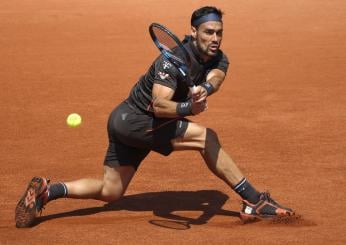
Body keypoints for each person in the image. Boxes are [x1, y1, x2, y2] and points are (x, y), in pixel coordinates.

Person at [15, 6, 294, 228]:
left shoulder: (218, 57)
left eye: (219, 32)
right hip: (135, 121)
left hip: (133, 124)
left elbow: (217, 77)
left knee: (111, 191)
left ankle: (47, 192)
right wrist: (187, 108)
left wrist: (204, 90)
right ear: (193, 32)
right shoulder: (169, 62)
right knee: (206, 137)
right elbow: (160, 105)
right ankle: (254, 200)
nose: (215, 38)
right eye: (208, 32)